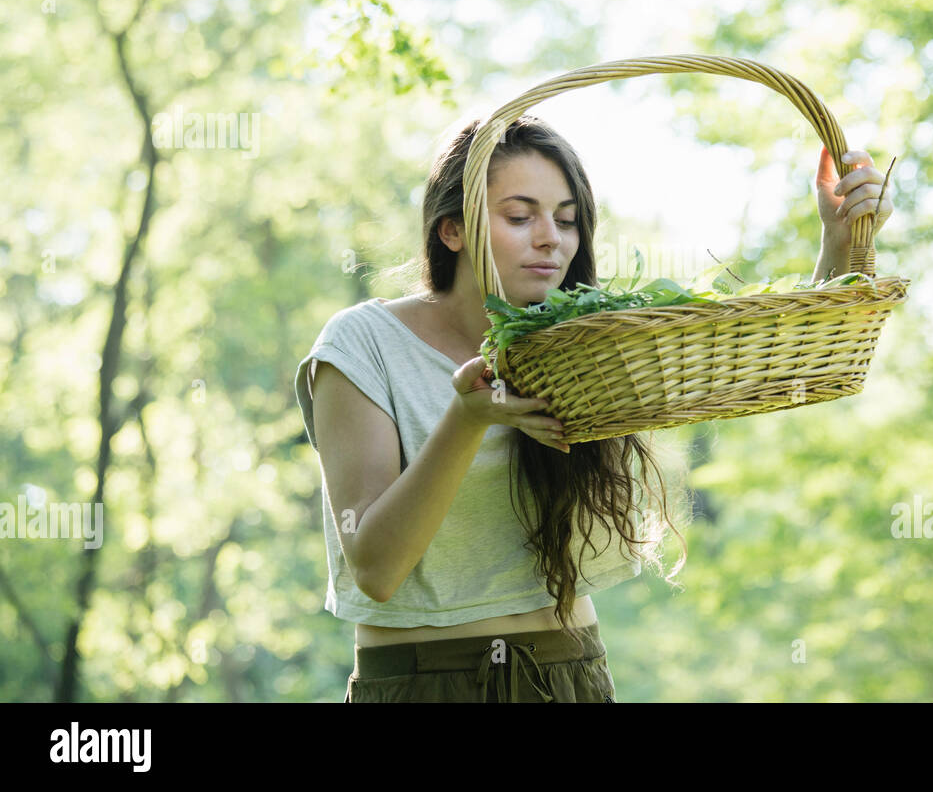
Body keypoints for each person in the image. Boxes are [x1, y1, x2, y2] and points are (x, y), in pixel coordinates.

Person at [294, 113, 893, 703]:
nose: (551, 238)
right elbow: (375, 568)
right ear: (451, 229)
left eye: (567, 220)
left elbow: (764, 371)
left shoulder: (585, 346)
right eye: (519, 216)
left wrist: (838, 250)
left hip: (568, 673)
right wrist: (467, 419)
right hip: (420, 680)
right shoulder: (363, 343)